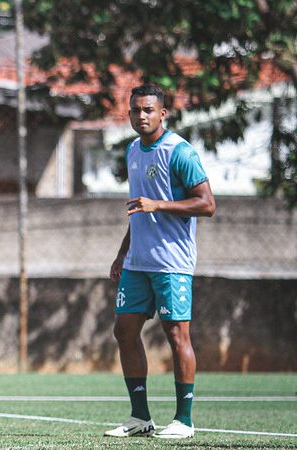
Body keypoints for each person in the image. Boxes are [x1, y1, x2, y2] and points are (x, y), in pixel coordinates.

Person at [104, 84, 215, 440]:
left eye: (148, 110)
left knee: (176, 334)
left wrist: (159, 204)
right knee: (124, 330)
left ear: (162, 113)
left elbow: (207, 204)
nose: (141, 116)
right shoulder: (134, 150)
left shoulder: (179, 151)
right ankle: (140, 418)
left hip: (172, 262)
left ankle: (184, 420)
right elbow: (138, 210)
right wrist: (122, 254)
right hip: (138, 261)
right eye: (135, 110)